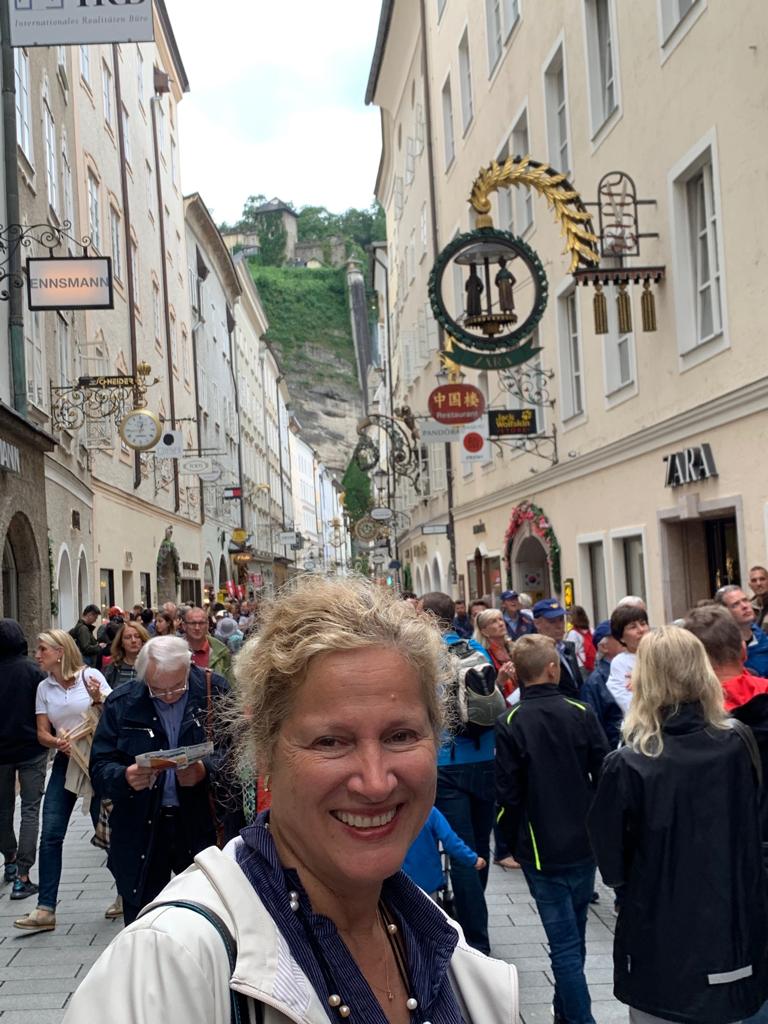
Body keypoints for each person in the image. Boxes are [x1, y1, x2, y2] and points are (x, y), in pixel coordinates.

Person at [64, 577, 518, 1024]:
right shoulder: (171, 966)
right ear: (264, 750)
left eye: (400, 735)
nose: (376, 783)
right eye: (330, 742)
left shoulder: (449, 947)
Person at [588, 626, 768, 1024]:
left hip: (660, 941)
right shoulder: (737, 743)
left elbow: (611, 862)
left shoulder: (628, 763)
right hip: (732, 934)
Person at [496, 634, 609, 1024]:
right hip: (583, 842)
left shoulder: (511, 722)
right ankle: (570, 1014)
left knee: (564, 945)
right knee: (573, 938)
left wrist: (508, 842)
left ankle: (575, 1017)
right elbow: (605, 773)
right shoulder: (580, 712)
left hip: (539, 847)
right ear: (552, 668)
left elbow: (507, 794)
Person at [89, 636, 230, 926]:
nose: (168, 696)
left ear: (189, 667)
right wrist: (125, 777)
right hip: (141, 826)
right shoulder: (123, 702)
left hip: (199, 824)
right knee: (144, 921)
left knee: (206, 918)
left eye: (177, 687)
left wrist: (205, 770)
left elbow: (237, 755)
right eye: (158, 689)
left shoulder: (214, 691)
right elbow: (100, 767)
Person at [14, 630, 110, 932]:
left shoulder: (90, 676)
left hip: (95, 761)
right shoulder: (44, 687)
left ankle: (127, 891)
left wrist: (97, 698)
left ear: (60, 652)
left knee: (107, 831)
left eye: (42, 649)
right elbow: (42, 732)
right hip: (66, 762)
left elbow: (113, 715)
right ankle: (45, 909)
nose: (37, 655)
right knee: (51, 833)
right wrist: (57, 742)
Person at [421, 590, 496, 955]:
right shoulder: (476, 650)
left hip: (446, 762)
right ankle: (474, 910)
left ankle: (474, 940)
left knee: (461, 849)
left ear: (427, 618)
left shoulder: (425, 656)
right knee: (480, 844)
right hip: (485, 757)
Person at [0, 619, 47, 901]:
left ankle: (9, 858)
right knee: (30, 810)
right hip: (32, 748)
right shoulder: (33, 670)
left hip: (1, 753)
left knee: (2, 809)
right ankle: (23, 876)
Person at [402, 805, 486, 899]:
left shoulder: (393, 814)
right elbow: (450, 841)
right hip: (428, 882)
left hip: (400, 882)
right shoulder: (429, 811)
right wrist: (473, 859)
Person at [580, 621, 623, 749]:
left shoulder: (635, 671)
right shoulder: (595, 683)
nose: (624, 639)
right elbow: (594, 731)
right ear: (604, 647)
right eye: (618, 636)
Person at [605, 603, 650, 716]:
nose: (641, 630)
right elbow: (631, 705)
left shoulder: (662, 652)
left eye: (643, 624)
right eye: (633, 627)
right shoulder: (620, 663)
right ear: (621, 638)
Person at [531, 599, 582, 697]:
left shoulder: (567, 648)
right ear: (537, 623)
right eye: (552, 621)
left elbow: (576, 684)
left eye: (561, 619)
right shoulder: (533, 655)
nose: (559, 626)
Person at [715, 584, 768, 678]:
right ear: (724, 612)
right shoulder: (721, 648)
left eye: (745, 600)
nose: (744, 606)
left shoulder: (763, 639)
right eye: (735, 605)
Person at [473, 608, 518, 699]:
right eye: (493, 622)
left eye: (501, 619)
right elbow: (484, 693)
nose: (501, 624)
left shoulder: (514, 647)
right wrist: (500, 681)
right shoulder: (482, 656)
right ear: (484, 631)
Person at [183, 606, 232, 682]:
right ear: (184, 626)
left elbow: (231, 684)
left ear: (208, 625)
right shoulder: (174, 652)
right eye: (193, 623)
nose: (197, 628)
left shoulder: (222, 652)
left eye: (201, 623)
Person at [103, 621, 150, 689]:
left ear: (143, 640)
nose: (133, 640)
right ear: (121, 643)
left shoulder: (151, 666)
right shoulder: (113, 668)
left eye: (137, 636)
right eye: (128, 637)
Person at [565, 606, 596, 678]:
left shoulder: (573, 633)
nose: (568, 618)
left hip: (580, 664)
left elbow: (571, 651)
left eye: (570, 615)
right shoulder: (591, 630)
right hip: (592, 663)